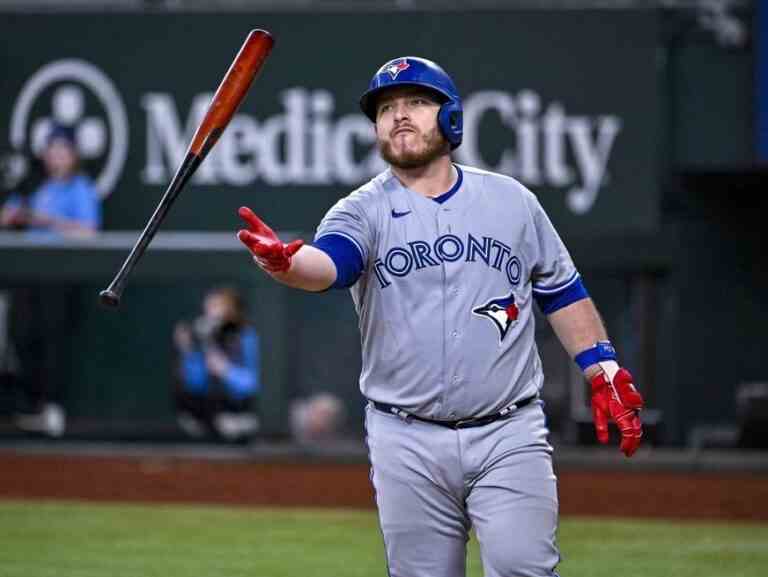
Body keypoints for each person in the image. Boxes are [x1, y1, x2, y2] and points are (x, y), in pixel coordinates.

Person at [236, 57, 644, 577]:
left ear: (451, 118)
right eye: (386, 108)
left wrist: (602, 369)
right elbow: (329, 264)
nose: (399, 115)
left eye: (416, 102)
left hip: (509, 429)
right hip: (405, 437)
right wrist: (286, 262)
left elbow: (562, 291)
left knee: (526, 569)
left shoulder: (512, 201)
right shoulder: (359, 211)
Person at [0, 123, 101, 437]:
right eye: (52, 150)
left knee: (52, 343)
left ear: (74, 155)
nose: (57, 157)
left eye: (63, 150)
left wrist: (45, 220)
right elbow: (6, 219)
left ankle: (51, 408)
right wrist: (16, 214)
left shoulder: (81, 188)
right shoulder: (36, 188)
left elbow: (89, 232)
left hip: (60, 277)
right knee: (21, 337)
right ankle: (30, 407)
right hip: (27, 276)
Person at [172, 286, 261, 442]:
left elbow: (253, 384)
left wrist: (226, 370)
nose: (213, 314)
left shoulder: (247, 337)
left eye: (218, 307)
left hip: (239, 416)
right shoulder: (202, 338)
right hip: (207, 419)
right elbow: (194, 384)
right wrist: (187, 352)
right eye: (209, 308)